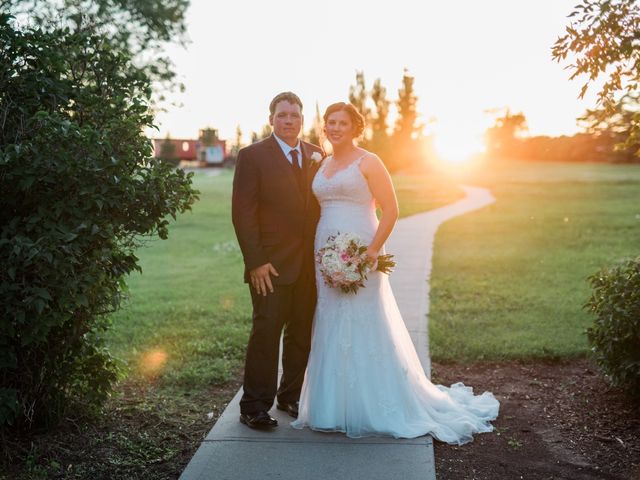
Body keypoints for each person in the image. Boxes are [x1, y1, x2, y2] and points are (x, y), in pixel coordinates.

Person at [291, 102, 499, 444]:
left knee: (364, 320)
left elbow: (392, 209)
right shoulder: (323, 162)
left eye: (343, 123)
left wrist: (371, 251)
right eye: (330, 122)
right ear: (324, 127)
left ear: (355, 128)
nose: (335, 128)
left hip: (362, 250)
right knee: (329, 320)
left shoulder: (369, 161)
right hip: (324, 254)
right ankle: (330, 407)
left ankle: (374, 404)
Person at [232, 92, 323, 429]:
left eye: (295, 116)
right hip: (269, 266)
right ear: (271, 119)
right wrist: (255, 261)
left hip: (310, 267)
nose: (289, 121)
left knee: (302, 333)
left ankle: (291, 396)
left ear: (302, 120)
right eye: (282, 115)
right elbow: (243, 213)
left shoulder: (317, 154)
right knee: (266, 333)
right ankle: (254, 406)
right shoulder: (252, 155)